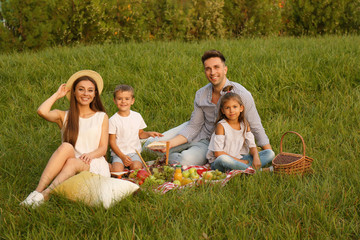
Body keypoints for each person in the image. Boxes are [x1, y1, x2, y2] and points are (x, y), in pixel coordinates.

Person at [145, 49, 274, 166]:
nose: (212, 72)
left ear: (225, 69)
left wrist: (269, 153)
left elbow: (256, 126)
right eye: (208, 68)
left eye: (216, 67)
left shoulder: (241, 94)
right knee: (148, 147)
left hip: (210, 144)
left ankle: (172, 157)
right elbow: (194, 126)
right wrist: (170, 143)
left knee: (184, 161)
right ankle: (150, 143)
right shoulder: (201, 94)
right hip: (196, 129)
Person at [21, 70, 110, 207]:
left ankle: (45, 195)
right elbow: (41, 111)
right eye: (81, 89)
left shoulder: (101, 117)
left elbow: (103, 148)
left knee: (72, 163)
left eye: (90, 90)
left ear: (95, 94)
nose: (86, 93)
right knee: (66, 147)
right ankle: (37, 192)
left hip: (93, 164)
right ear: (74, 92)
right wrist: (58, 95)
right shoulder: (64, 116)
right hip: (69, 162)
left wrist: (90, 155)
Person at [207, 86, 274, 171]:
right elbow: (218, 153)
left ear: (241, 108)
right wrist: (240, 161)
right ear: (223, 111)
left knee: (269, 153)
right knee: (223, 159)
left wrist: (256, 158)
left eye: (235, 107)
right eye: (227, 108)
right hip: (220, 162)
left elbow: (252, 145)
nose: (231, 111)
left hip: (240, 158)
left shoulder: (244, 124)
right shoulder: (221, 126)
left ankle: (242, 168)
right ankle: (258, 171)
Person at [109, 84, 163, 172]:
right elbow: (112, 142)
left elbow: (141, 134)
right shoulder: (113, 120)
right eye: (120, 99)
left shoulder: (137, 116)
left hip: (134, 153)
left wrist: (149, 134)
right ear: (114, 101)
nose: (123, 101)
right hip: (119, 154)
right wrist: (122, 157)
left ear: (132, 101)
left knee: (137, 168)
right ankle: (109, 166)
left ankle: (131, 174)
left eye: (127, 99)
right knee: (117, 170)